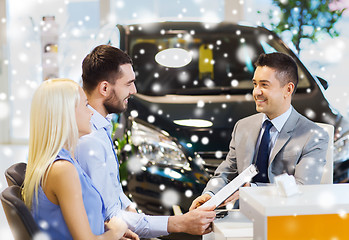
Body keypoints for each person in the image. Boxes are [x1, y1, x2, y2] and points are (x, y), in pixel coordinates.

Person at [75, 45, 216, 238]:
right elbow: (110, 218)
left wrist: (129, 207)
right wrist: (181, 223)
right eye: (128, 83)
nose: (134, 90)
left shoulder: (101, 128)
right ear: (105, 88)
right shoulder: (89, 141)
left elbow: (113, 196)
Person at [189, 52, 329, 210]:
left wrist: (252, 191)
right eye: (255, 84)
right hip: (241, 215)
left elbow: (303, 189)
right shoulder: (243, 126)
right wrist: (210, 195)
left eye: (264, 85)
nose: (256, 92)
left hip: (285, 218)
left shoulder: (313, 136)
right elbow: (226, 172)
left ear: (288, 90)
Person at [22, 79, 138, 240]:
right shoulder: (62, 169)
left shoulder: (64, 160)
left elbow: (72, 223)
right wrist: (117, 230)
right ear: (66, 114)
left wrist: (107, 230)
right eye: (85, 105)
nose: (91, 112)